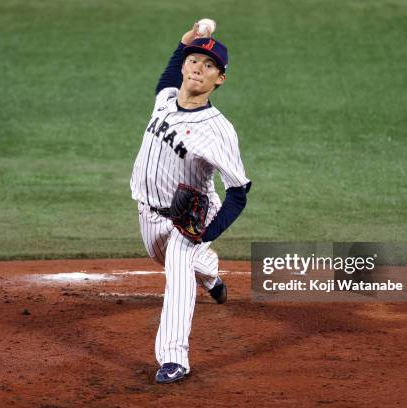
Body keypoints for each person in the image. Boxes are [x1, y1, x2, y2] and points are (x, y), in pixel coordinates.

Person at [130, 21, 252, 384]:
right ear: (185, 66)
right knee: (163, 258)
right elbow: (169, 71)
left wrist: (203, 233)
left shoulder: (218, 131)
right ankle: (211, 275)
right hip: (149, 212)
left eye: (210, 65)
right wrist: (186, 39)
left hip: (193, 215)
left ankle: (174, 358)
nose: (199, 67)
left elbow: (239, 191)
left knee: (178, 269)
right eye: (195, 60)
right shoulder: (166, 98)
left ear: (220, 79)